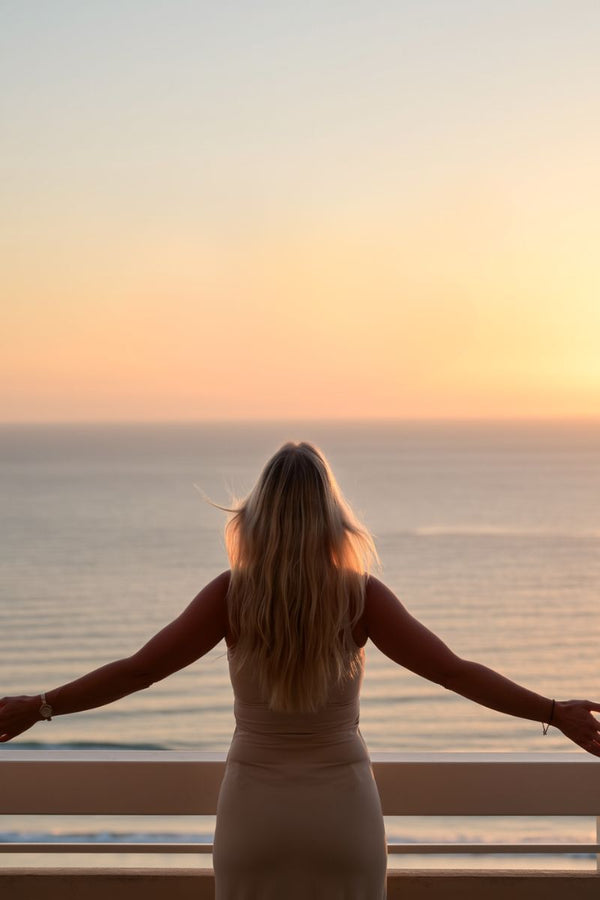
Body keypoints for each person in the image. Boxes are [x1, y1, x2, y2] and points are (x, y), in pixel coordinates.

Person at [1, 441, 599, 899]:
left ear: (258, 514)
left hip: (253, 814)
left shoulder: (232, 595)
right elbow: (455, 672)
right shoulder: (359, 596)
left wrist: (39, 706)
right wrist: (552, 712)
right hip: (342, 813)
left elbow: (138, 671)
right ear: (331, 515)